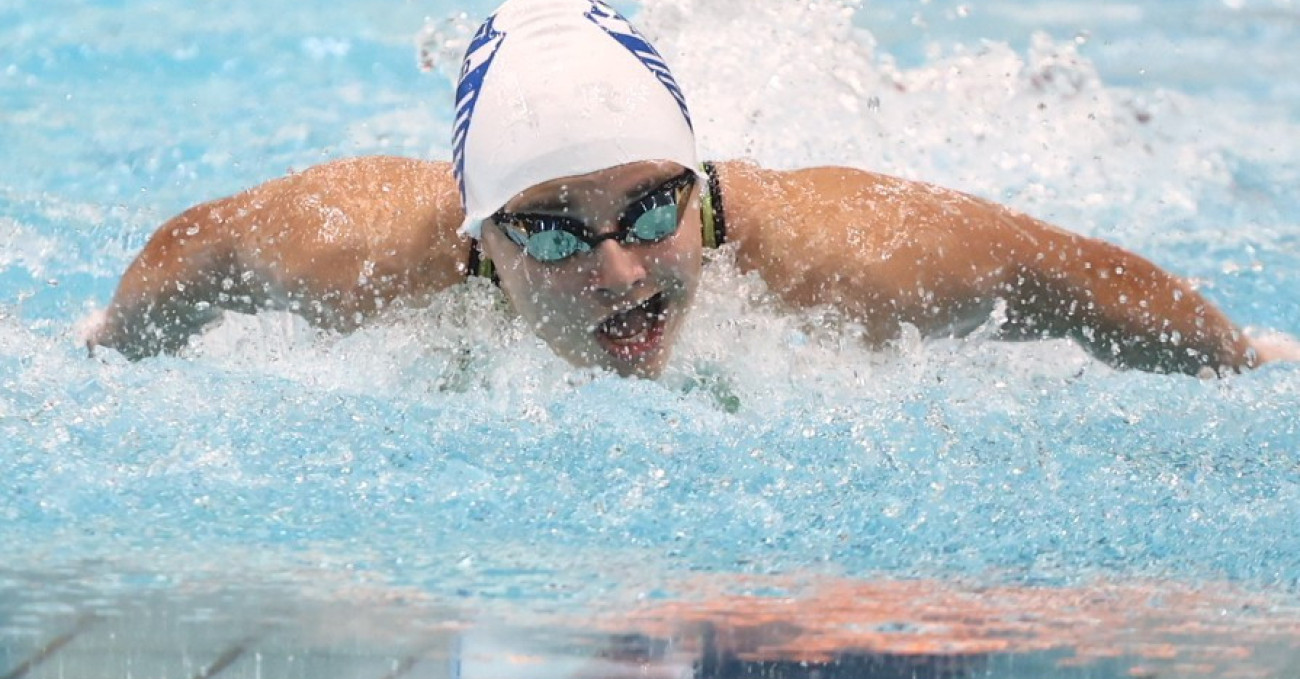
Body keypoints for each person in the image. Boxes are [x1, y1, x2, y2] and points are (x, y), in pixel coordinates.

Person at [86, 0, 1296, 378]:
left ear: (701, 198)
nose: (617, 271)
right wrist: (102, 345)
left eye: (654, 212)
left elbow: (1063, 275)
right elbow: (192, 252)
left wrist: (1245, 356)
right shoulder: (348, 250)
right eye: (550, 234)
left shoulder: (845, 255)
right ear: (479, 241)